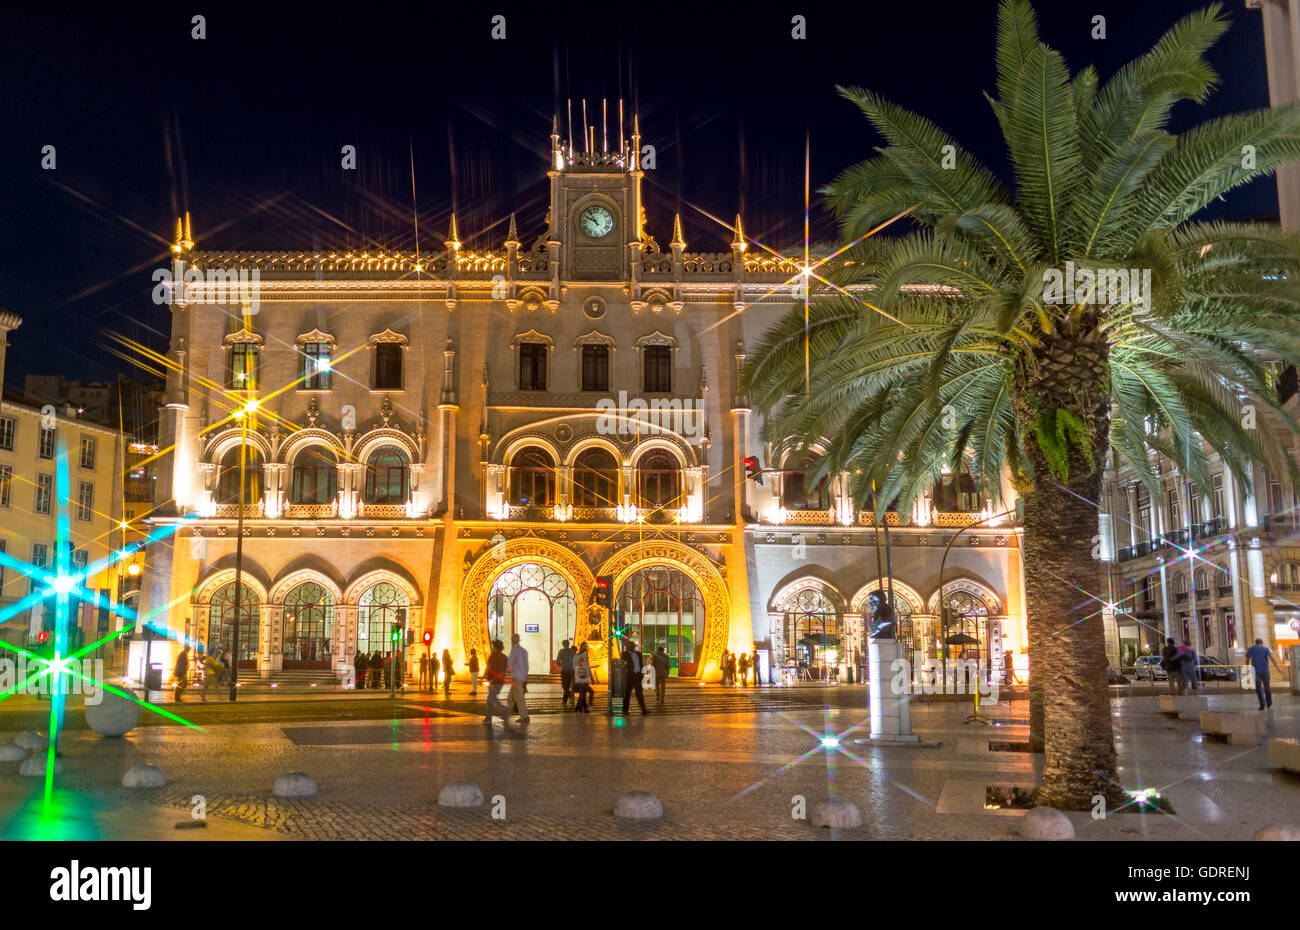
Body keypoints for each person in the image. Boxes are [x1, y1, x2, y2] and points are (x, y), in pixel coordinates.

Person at [1244, 638, 1283, 710]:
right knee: (1267, 687)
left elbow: (1247, 660)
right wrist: (1277, 667)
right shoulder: (1266, 649)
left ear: (1255, 643)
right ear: (1262, 642)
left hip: (1255, 672)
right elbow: (1272, 658)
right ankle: (1269, 703)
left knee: (1258, 688)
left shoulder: (1251, 649)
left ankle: (1262, 704)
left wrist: (1247, 668)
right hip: (1265, 671)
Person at [482, 639, 511, 728]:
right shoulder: (504, 657)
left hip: (492, 681)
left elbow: (488, 667)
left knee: (492, 699)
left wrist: (484, 676)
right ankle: (488, 718)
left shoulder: (493, 656)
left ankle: (505, 713)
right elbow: (506, 669)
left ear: (495, 647)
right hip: (500, 681)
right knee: (490, 700)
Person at [507, 634, 530, 727]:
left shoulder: (514, 650)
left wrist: (507, 670)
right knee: (510, 697)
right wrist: (524, 677)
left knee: (519, 698)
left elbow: (509, 663)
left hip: (516, 677)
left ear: (512, 641)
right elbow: (527, 666)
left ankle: (525, 716)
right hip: (522, 677)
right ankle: (508, 713)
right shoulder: (524, 651)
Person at [623, 638, 647, 715]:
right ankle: (625, 710)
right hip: (630, 676)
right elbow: (624, 664)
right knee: (627, 694)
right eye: (630, 646)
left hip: (637, 675)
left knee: (639, 693)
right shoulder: (625, 654)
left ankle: (644, 710)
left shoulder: (638, 654)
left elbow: (641, 664)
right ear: (628, 647)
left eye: (633, 646)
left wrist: (642, 673)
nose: (632, 647)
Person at [574, 642, 594, 713]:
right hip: (581, 679)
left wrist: (591, 678)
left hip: (583, 679)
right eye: (585, 646)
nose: (586, 647)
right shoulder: (580, 658)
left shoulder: (584, 658)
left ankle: (582, 709)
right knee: (583, 694)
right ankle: (580, 709)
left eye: (586, 646)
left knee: (583, 694)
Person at [557, 639, 577, 706]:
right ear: (568, 644)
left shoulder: (561, 651)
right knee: (570, 685)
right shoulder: (573, 652)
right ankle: (569, 698)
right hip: (571, 670)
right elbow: (576, 661)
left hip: (564, 671)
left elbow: (557, 662)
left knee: (565, 686)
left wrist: (562, 665)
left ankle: (565, 700)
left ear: (563, 644)